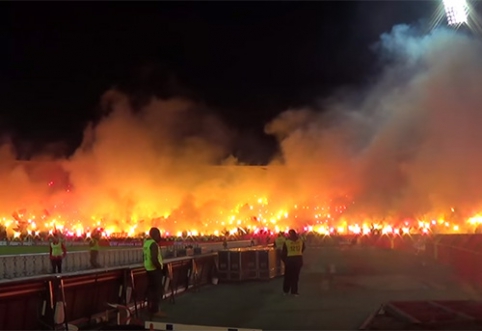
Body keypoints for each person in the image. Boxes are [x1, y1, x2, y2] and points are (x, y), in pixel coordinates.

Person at [143, 227, 167, 318]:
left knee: (151, 290)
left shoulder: (146, 243)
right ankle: (156, 310)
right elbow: (154, 258)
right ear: (155, 235)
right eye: (158, 234)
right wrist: (159, 267)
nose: (160, 237)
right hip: (154, 270)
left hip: (148, 269)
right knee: (157, 291)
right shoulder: (153, 244)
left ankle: (150, 309)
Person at [281, 229, 305, 296]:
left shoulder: (287, 242)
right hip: (298, 260)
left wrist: (285, 261)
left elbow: (283, 253)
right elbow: (303, 248)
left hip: (290, 260)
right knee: (295, 277)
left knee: (288, 277)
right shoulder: (300, 241)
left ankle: (286, 291)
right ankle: (294, 292)